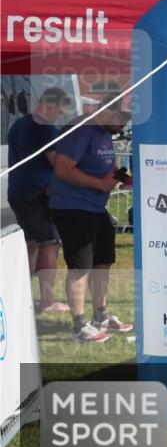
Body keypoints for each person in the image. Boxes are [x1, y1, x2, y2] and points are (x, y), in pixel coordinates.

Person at [49, 100, 134, 343]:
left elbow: (105, 164)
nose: (123, 126)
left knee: (103, 261)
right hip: (72, 207)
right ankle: (79, 326)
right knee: (80, 266)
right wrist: (100, 184)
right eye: (121, 119)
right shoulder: (82, 130)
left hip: (96, 207)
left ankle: (101, 316)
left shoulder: (104, 132)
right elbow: (63, 169)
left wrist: (124, 178)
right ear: (106, 111)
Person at [7, 87, 71, 313]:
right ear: (50, 105)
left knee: (31, 244)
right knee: (49, 243)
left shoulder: (18, 125)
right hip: (39, 194)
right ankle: (47, 300)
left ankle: (20, 297)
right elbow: (56, 161)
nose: (58, 116)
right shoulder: (45, 127)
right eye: (59, 111)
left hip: (17, 192)